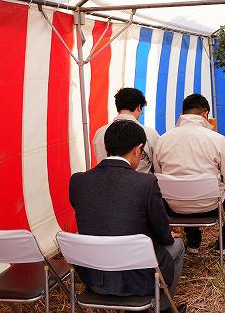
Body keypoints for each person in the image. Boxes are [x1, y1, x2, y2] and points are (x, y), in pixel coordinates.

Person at [69, 120, 185, 312]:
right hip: (136, 279)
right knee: (177, 246)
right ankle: (163, 307)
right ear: (138, 149)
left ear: (107, 147)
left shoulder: (78, 180)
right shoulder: (145, 182)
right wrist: (164, 236)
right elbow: (162, 233)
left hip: (93, 276)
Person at [153, 94, 225, 255]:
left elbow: (158, 175)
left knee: (179, 185)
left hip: (175, 209)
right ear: (205, 114)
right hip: (211, 208)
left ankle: (193, 241)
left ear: (183, 113)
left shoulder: (163, 140)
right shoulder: (216, 139)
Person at [92, 87, 159, 173]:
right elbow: (158, 165)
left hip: (104, 184)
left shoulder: (99, 132)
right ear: (139, 107)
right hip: (140, 184)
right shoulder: (150, 134)